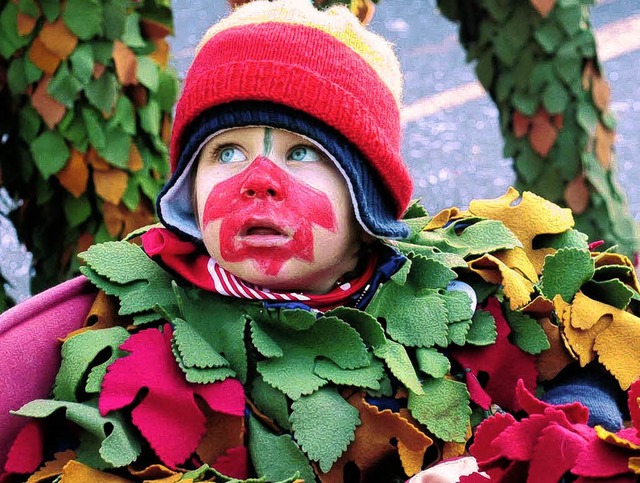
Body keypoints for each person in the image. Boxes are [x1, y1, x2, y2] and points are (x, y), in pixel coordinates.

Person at [1, 0, 638, 481]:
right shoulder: (140, 345)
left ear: (368, 198)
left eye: (303, 153)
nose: (258, 183)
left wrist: (554, 441)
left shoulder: (462, 289)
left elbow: (591, 372)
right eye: (225, 152)